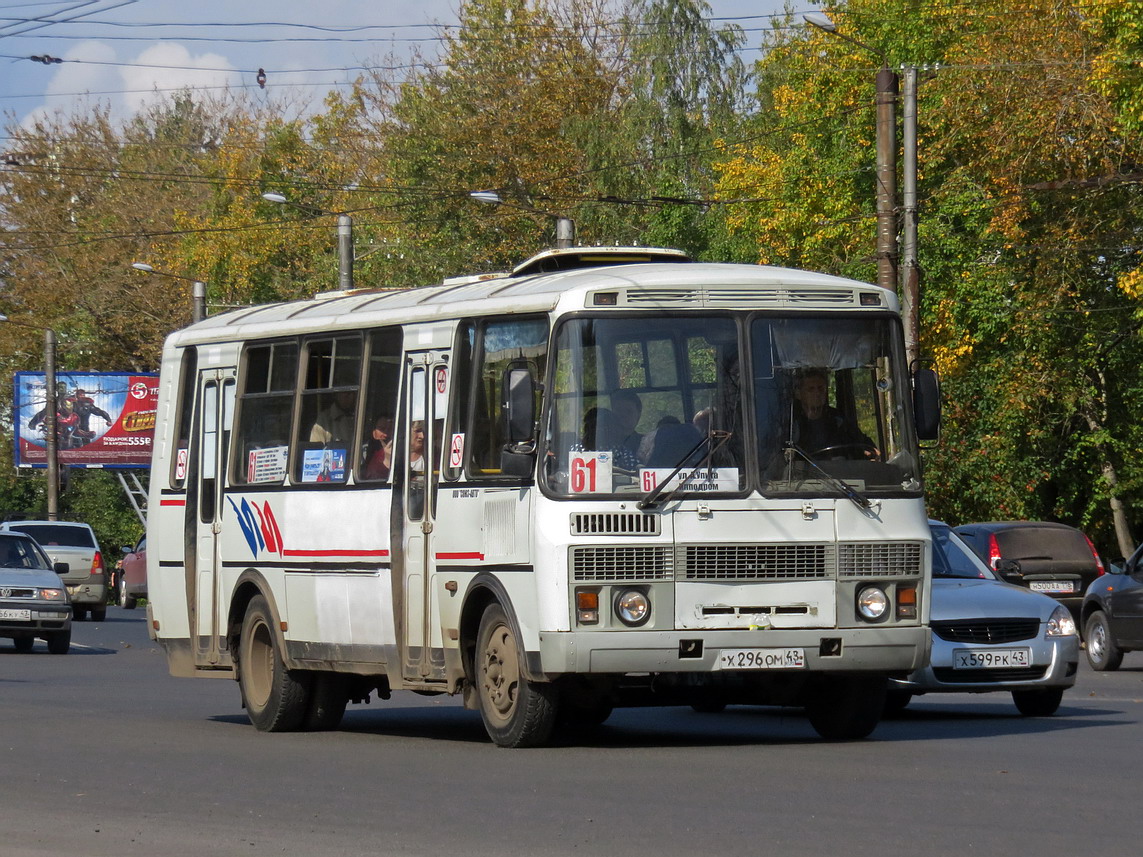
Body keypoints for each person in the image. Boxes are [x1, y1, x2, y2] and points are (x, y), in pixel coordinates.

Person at [791, 369, 873, 457]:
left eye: (821, 388)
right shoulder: (792, 424)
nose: (818, 393)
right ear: (798, 394)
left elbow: (864, 444)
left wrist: (870, 451)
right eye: (811, 389)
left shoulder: (838, 420)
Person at [610, 389, 643, 457]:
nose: (623, 415)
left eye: (629, 411)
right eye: (619, 411)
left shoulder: (646, 443)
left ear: (638, 415)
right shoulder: (601, 442)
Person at [362, 416, 394, 480]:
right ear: (374, 432)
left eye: (390, 429)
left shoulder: (398, 450)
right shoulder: (363, 450)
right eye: (382, 429)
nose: (386, 434)